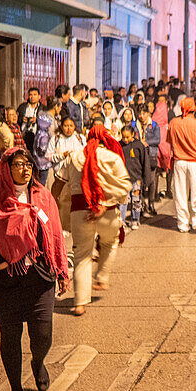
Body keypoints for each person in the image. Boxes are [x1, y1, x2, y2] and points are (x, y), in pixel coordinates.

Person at [0, 148, 70, 391]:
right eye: (19, 164)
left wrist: (60, 270)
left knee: (42, 335)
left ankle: (38, 362)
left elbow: (55, 233)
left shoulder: (43, 197)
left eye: (29, 164)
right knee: (10, 337)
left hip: (39, 278)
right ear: (5, 168)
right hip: (4, 283)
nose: (25, 169)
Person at [51, 124, 131, 316]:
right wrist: (103, 202)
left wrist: (52, 202)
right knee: (110, 242)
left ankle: (79, 303)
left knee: (81, 256)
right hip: (107, 212)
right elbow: (125, 185)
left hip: (79, 212)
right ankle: (102, 277)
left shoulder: (74, 156)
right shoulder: (112, 157)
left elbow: (59, 182)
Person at [168, 98, 196, 233]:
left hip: (179, 162)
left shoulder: (173, 123)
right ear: (194, 109)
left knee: (180, 193)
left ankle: (183, 224)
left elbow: (169, 141)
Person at [119, 125, 147, 230]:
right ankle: (121, 221)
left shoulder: (139, 146)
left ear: (133, 135)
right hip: (124, 179)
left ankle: (135, 220)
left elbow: (145, 162)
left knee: (136, 200)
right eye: (123, 137)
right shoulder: (119, 146)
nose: (125, 140)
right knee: (123, 201)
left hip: (136, 178)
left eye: (127, 137)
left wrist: (145, 178)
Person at [137, 107, 161, 216]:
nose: (141, 116)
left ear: (148, 113)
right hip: (139, 156)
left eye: (144, 113)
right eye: (140, 113)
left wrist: (146, 142)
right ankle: (141, 204)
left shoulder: (154, 125)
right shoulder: (135, 125)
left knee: (151, 180)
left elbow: (158, 139)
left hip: (151, 155)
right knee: (140, 181)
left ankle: (151, 202)